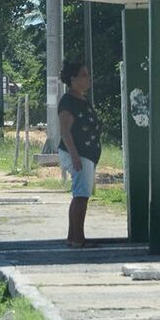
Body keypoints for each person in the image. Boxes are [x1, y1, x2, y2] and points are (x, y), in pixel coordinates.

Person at [58, 59, 101, 248]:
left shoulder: (83, 100)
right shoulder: (68, 101)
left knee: (82, 194)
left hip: (87, 153)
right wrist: (74, 155)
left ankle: (73, 236)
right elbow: (65, 130)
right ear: (73, 79)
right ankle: (78, 237)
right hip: (77, 153)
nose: (88, 78)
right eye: (84, 75)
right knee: (81, 195)